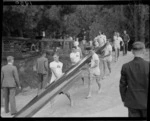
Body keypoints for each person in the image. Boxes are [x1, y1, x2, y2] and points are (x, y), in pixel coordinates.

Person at [119, 41, 149, 117]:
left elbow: (122, 86)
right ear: (144, 51)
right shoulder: (148, 66)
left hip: (132, 101)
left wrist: (124, 99)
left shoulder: (126, 66)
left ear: (132, 51)